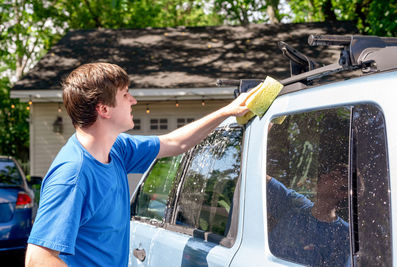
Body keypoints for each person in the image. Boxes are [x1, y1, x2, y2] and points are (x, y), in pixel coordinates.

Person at [25, 62, 250, 266]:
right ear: (103, 109)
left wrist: (228, 110)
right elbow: (38, 259)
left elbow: (175, 142)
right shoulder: (73, 175)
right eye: (125, 95)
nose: (133, 100)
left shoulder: (117, 149)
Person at [267, 164, 350, 266]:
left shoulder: (345, 235)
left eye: (332, 177)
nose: (323, 176)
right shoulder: (295, 204)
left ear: (343, 193)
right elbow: (262, 179)